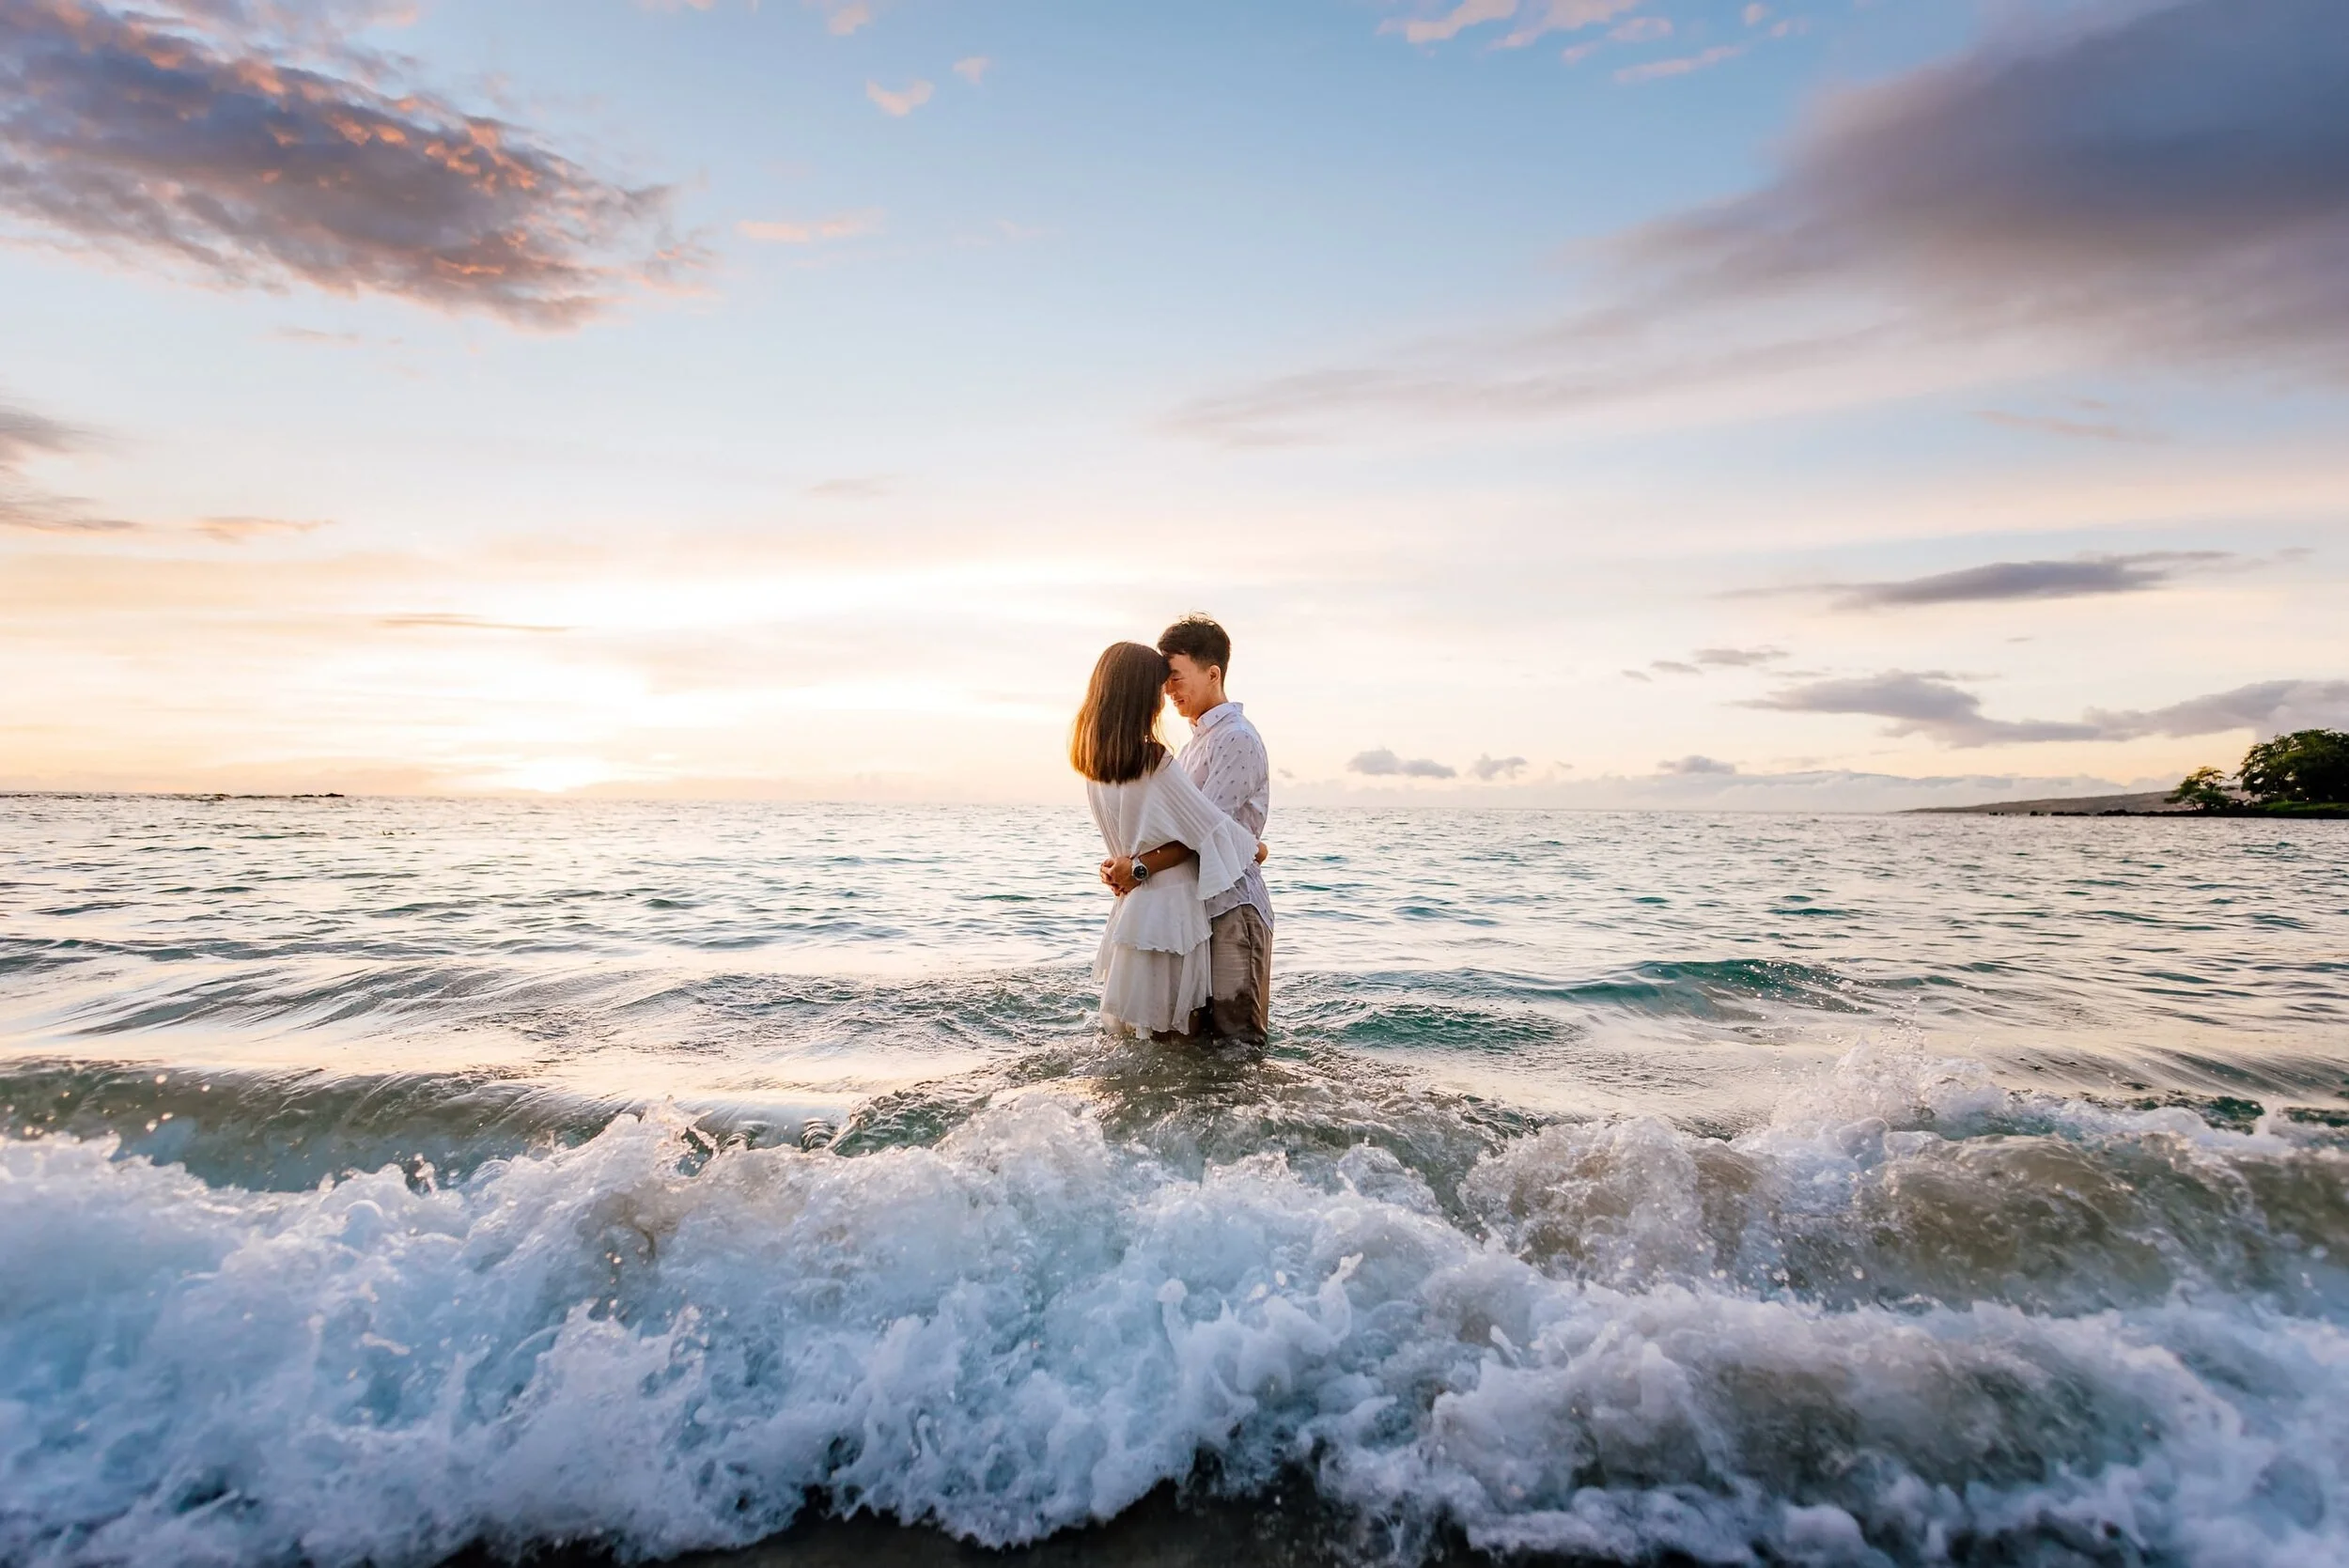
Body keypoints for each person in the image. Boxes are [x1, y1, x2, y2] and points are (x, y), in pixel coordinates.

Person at [1098, 614, 1273, 1048]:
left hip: (1232, 908)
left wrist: (1138, 868)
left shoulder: (1235, 739)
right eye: (1164, 681)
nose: (1168, 690)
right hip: (1195, 913)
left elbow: (1206, 832)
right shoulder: (1195, 744)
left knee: (1238, 1045)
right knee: (1200, 1047)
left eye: (1176, 677)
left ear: (1213, 673)